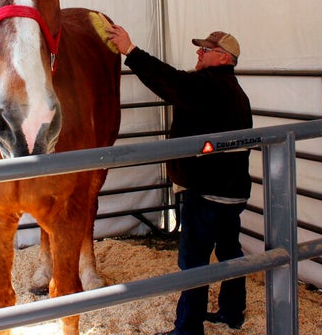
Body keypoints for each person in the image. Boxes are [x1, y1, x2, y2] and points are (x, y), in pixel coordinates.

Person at [107, 26, 253, 335]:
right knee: (230, 251)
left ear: (224, 58)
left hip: (207, 192)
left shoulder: (209, 85)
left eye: (205, 50)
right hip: (233, 191)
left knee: (193, 261)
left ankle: (188, 329)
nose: (198, 53)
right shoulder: (236, 91)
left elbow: (171, 82)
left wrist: (131, 52)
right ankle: (232, 311)